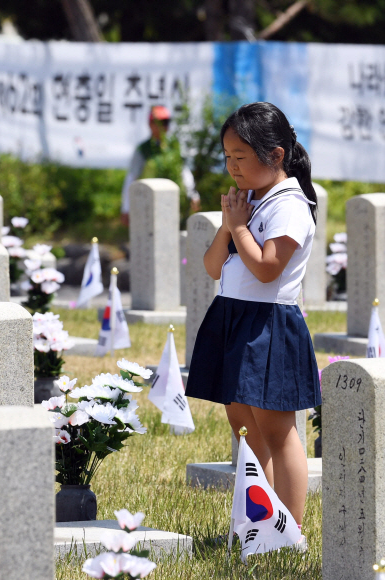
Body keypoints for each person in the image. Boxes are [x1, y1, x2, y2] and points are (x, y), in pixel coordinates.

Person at [185, 102, 321, 545]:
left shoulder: (290, 205)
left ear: (276, 156)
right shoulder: (248, 203)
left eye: (241, 156)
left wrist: (239, 226)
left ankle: (290, 533)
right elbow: (211, 266)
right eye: (227, 157)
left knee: (278, 432)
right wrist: (229, 224)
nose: (232, 167)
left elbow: (267, 269)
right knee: (244, 426)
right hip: (232, 316)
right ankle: (258, 523)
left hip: (268, 324)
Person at [120, 105, 200, 226]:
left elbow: (184, 172)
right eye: (161, 122)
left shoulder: (174, 147)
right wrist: (126, 208)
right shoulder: (143, 150)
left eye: (166, 122)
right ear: (150, 124)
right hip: (146, 203)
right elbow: (131, 178)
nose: (164, 126)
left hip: (172, 202)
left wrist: (193, 194)